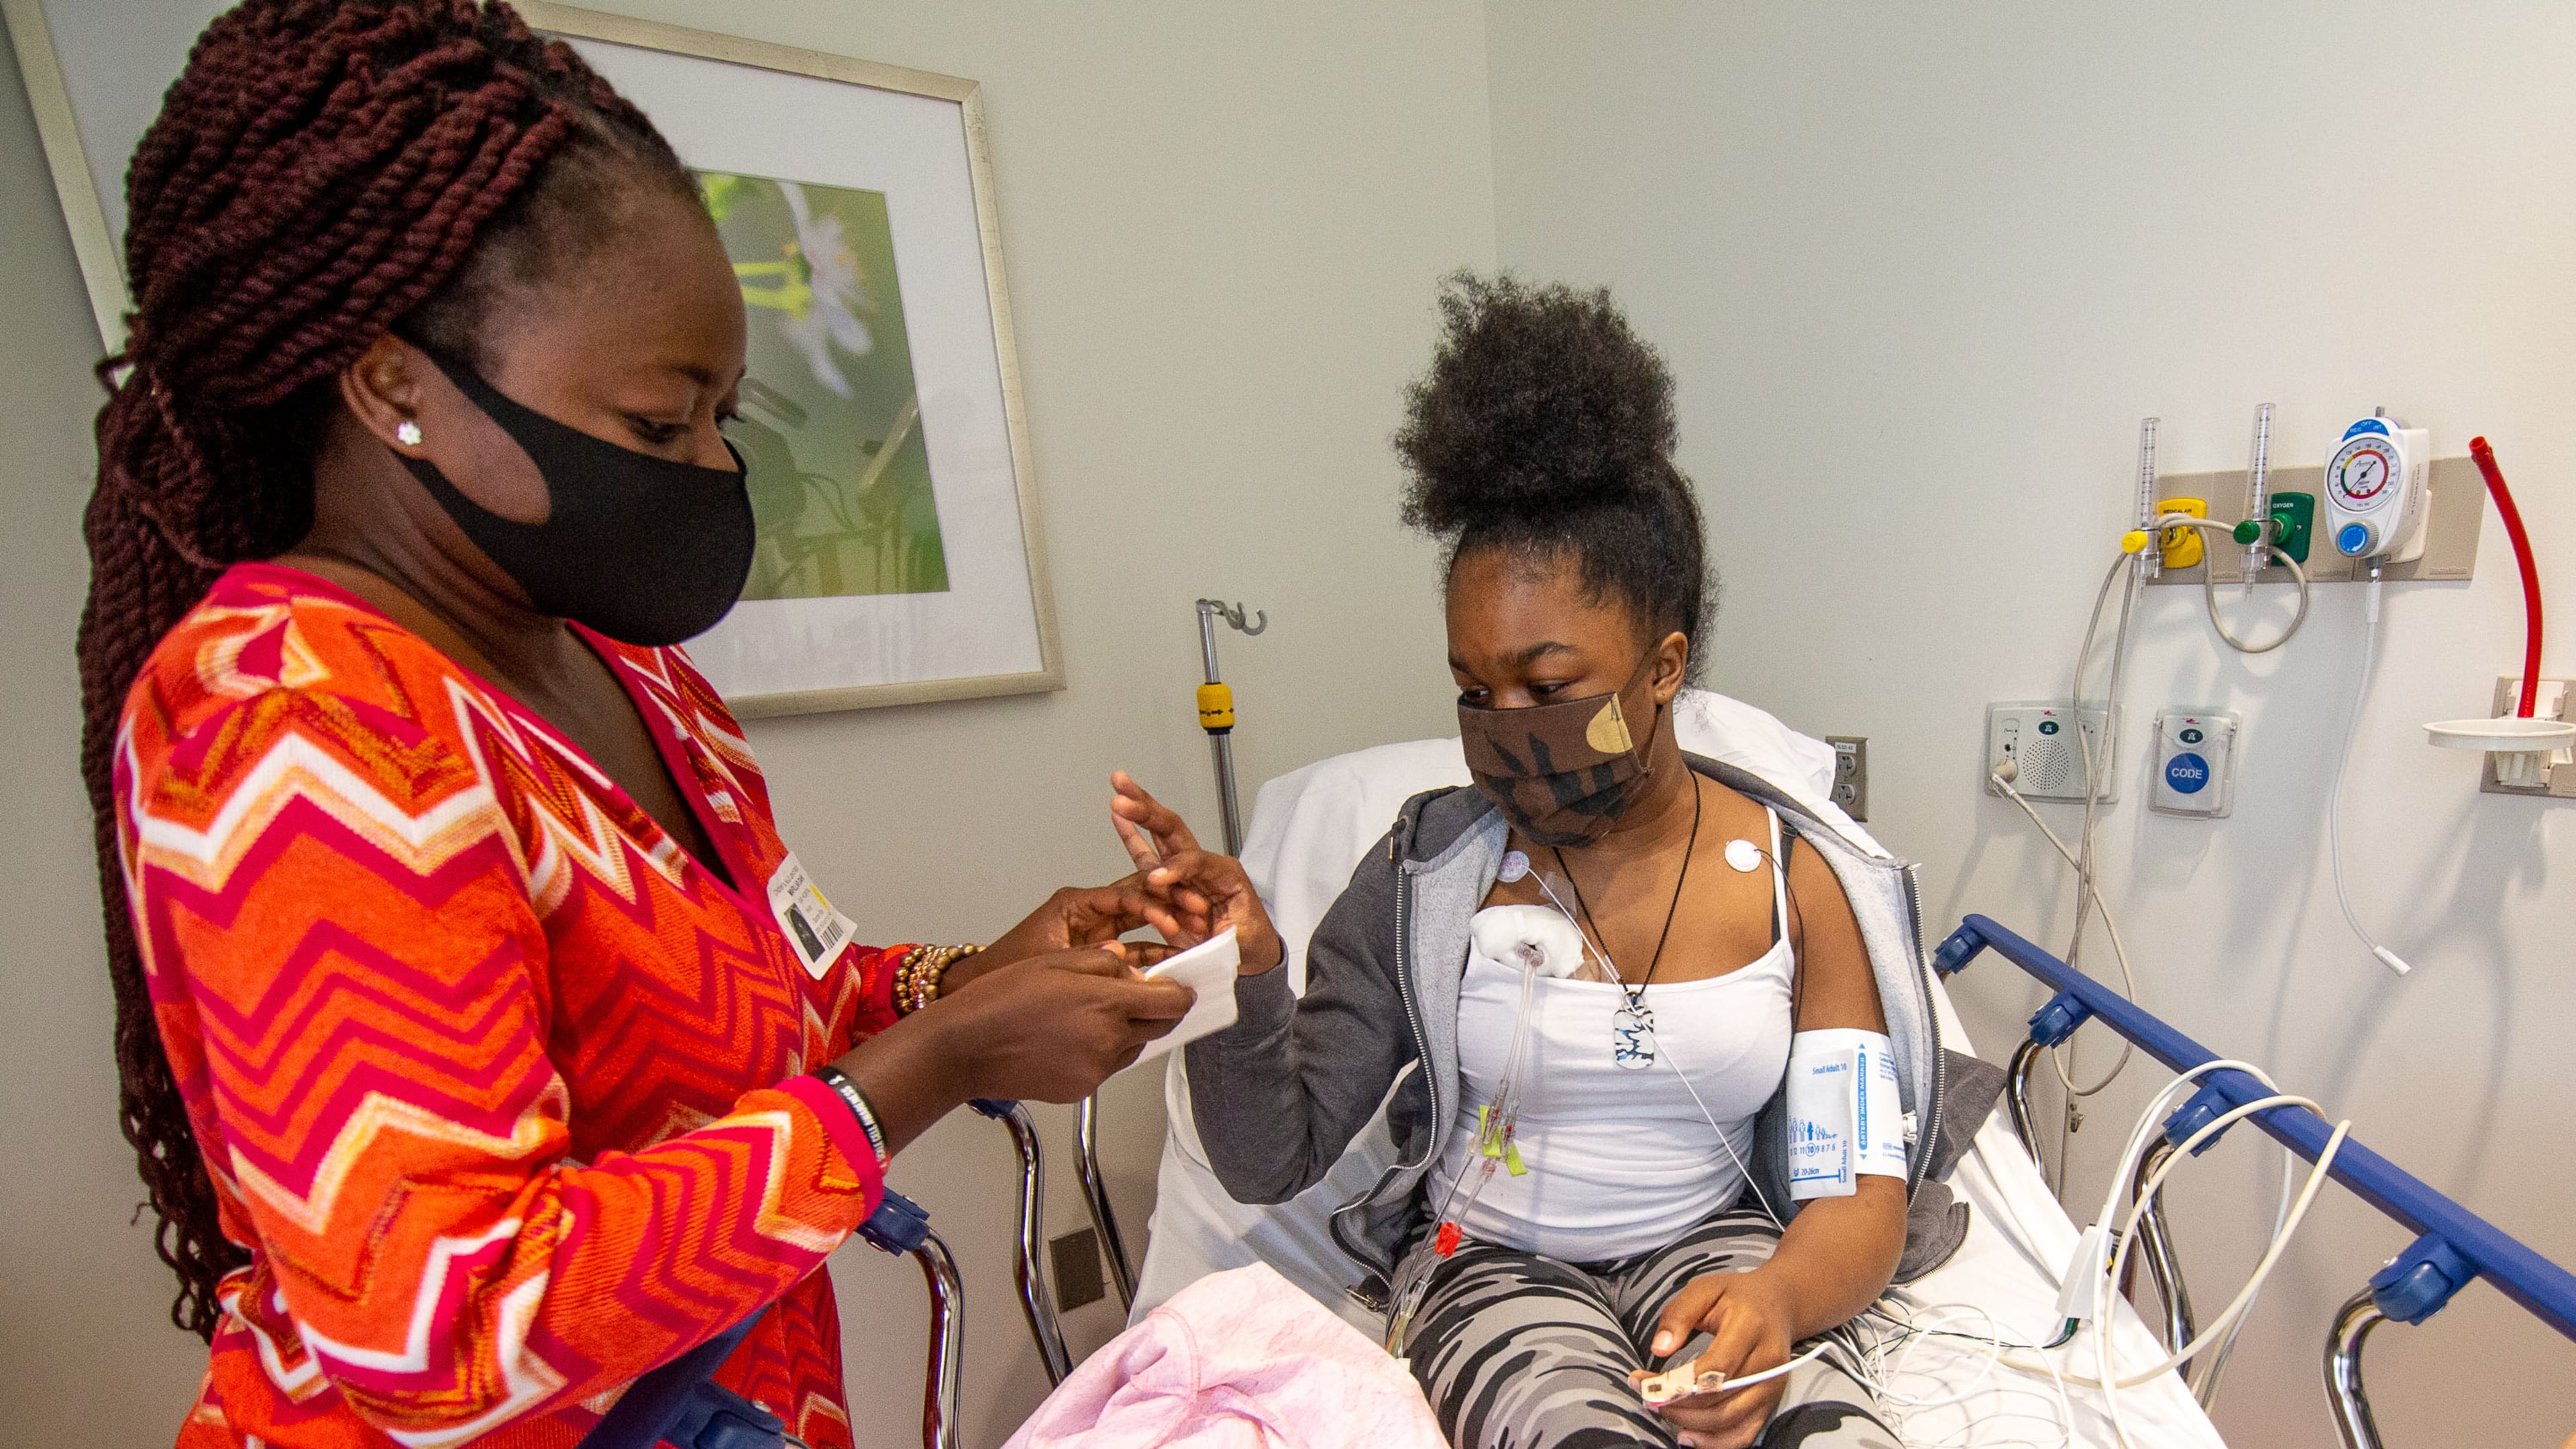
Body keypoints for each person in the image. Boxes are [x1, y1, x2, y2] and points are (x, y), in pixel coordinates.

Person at [79, 4, 1194, 1445]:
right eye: (661, 426)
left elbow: (749, 1018)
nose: (715, 466)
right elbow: (448, 1326)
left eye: (723, 414)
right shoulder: (293, 718)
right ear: (394, 385)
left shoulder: (620, 666)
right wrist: (941, 1068)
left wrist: (967, 979)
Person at [1130, 276, 1980, 1449]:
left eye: (1550, 686)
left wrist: (1777, 1302)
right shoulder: (1430, 877)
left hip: (1722, 1251)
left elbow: (1859, 1195)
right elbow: (1270, 1157)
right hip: (1495, 1267)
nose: (1504, 727)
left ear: (1665, 666)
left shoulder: (1795, 879)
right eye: (1473, 691)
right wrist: (1244, 974)